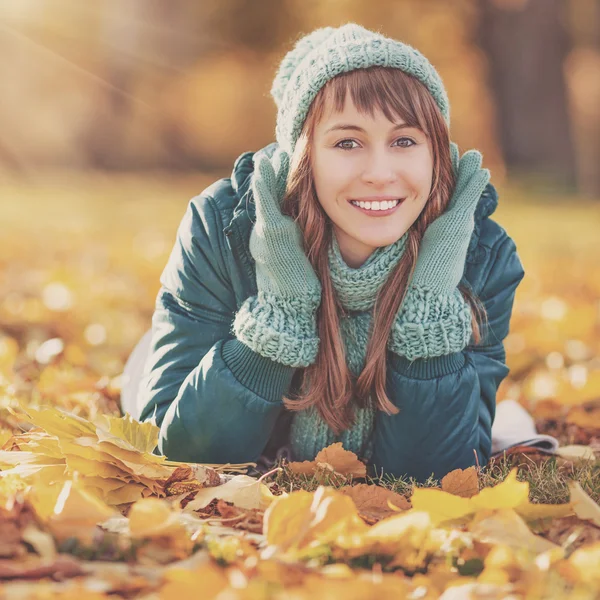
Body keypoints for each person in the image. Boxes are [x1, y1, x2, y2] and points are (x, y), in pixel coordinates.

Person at [120, 23, 526, 483]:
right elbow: (181, 453)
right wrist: (279, 318)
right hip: (172, 366)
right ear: (303, 158)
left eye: (405, 141)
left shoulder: (481, 256)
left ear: (437, 155)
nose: (379, 172)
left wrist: (429, 311)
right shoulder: (220, 229)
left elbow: (439, 475)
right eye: (347, 142)